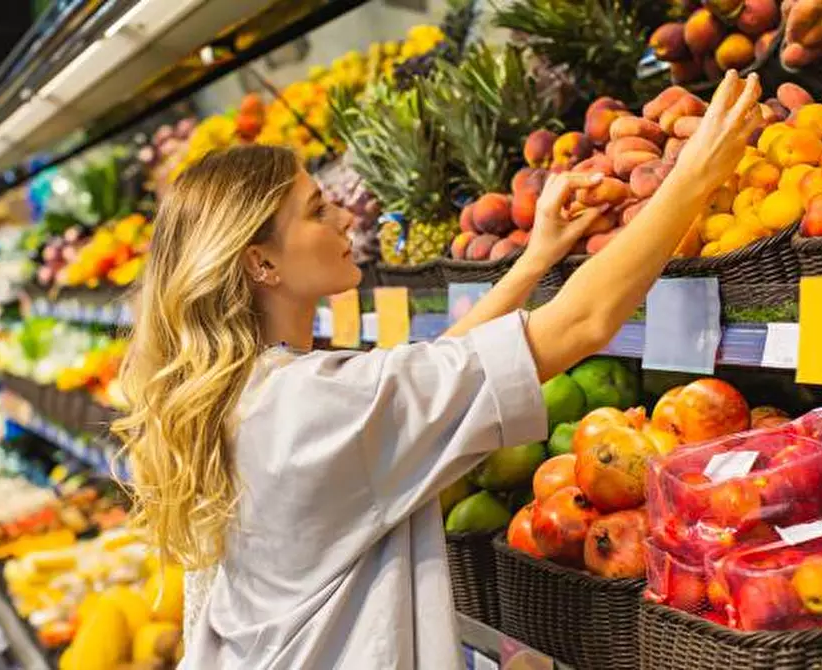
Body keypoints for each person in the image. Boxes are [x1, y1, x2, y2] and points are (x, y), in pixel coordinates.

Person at [115, 71, 761, 669]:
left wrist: (534, 261)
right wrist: (693, 176)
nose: (343, 216)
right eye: (316, 210)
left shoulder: (257, 395)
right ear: (261, 263)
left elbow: (431, 374)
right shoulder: (310, 406)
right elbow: (579, 325)